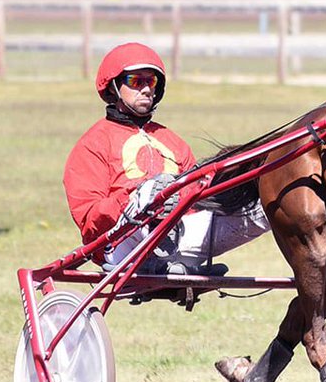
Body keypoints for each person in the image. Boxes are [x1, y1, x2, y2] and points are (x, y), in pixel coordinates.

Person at [63, 42, 269, 275]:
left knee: (265, 206)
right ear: (113, 88)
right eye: (135, 81)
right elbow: (89, 221)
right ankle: (155, 258)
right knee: (154, 189)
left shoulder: (171, 141)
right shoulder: (92, 144)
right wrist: (138, 196)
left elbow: (196, 203)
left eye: (150, 82)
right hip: (121, 246)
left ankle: (174, 262)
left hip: (180, 239)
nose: (146, 89)